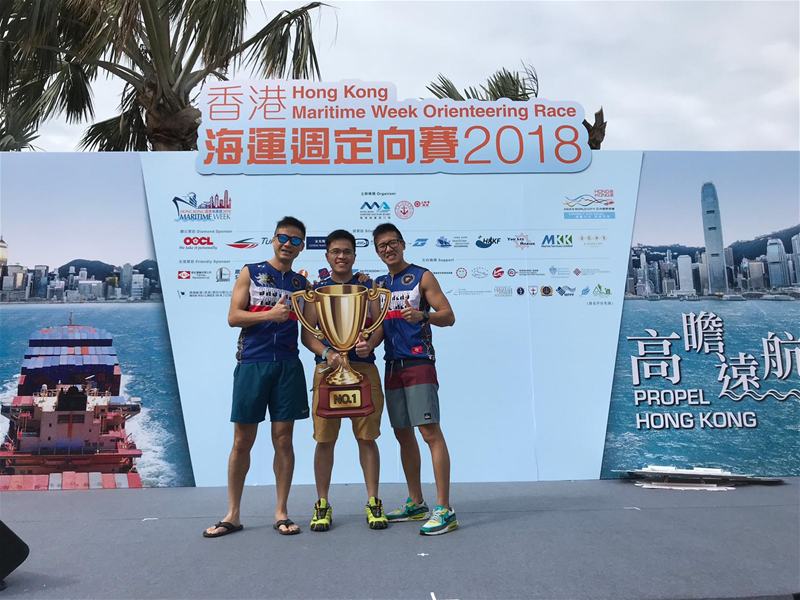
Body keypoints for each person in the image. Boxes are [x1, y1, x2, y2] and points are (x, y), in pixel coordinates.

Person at [204, 216, 309, 538]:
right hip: (252, 363)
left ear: (302, 247)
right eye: (283, 237)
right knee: (241, 441)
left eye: (295, 240)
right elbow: (233, 316)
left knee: (284, 440)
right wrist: (270, 315)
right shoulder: (251, 271)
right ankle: (233, 514)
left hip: (288, 366)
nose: (288, 244)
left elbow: (311, 330)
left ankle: (281, 512)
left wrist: (331, 351)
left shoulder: (302, 285)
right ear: (273, 240)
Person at [372, 223, 458, 536]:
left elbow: (448, 316)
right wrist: (367, 344)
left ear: (403, 244)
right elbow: (379, 327)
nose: (388, 249)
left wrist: (423, 315)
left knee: (429, 432)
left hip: (419, 362)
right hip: (392, 366)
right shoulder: (379, 285)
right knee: (403, 434)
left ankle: (444, 509)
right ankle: (416, 502)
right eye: (382, 246)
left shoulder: (422, 276)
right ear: (377, 251)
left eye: (392, 242)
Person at [301, 229, 389, 531]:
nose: (342, 256)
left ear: (354, 255)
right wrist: (327, 352)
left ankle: (373, 501)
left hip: (363, 369)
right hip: (327, 373)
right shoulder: (317, 290)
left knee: (367, 438)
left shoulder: (367, 288)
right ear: (327, 255)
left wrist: (370, 344)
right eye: (336, 251)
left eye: (347, 251)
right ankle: (322, 504)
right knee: (325, 440)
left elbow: (378, 326)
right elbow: (308, 335)